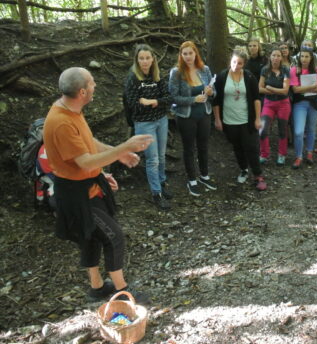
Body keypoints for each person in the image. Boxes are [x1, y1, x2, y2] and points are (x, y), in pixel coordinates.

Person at [43, 67, 153, 304]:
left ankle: (97, 288)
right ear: (82, 91)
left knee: (91, 236)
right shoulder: (61, 122)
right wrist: (124, 147)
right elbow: (84, 162)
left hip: (88, 185)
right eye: (92, 83)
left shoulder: (71, 109)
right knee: (114, 237)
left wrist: (110, 163)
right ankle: (121, 293)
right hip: (75, 193)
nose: (96, 86)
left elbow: (87, 143)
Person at [123, 44, 173, 210]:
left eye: (147, 58)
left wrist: (152, 101)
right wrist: (151, 103)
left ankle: (162, 182)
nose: (144, 61)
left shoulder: (157, 76)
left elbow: (168, 98)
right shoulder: (133, 79)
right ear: (137, 60)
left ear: (153, 59)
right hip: (144, 124)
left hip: (161, 120)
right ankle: (156, 193)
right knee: (152, 160)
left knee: (161, 155)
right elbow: (133, 105)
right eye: (141, 58)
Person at [213, 48, 267, 191]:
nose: (236, 66)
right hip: (229, 120)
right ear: (230, 60)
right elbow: (216, 100)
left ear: (245, 64)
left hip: (247, 120)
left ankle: (258, 175)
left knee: (252, 147)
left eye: (240, 63)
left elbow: (256, 99)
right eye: (234, 62)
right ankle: (243, 169)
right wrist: (217, 119)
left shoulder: (249, 77)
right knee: (237, 147)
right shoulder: (222, 77)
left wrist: (257, 118)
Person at [169, 41, 217, 196]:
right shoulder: (176, 72)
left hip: (204, 114)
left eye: (190, 53)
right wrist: (193, 100)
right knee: (189, 148)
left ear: (195, 53)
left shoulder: (205, 69)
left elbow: (213, 92)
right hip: (186, 117)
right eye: (185, 54)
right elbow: (173, 97)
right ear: (181, 56)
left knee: (203, 146)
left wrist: (211, 93)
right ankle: (192, 180)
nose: (188, 56)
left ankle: (204, 175)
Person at [289, 47, 317, 169]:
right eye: (302, 56)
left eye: (307, 56)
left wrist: (309, 88)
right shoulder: (294, 70)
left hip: (314, 103)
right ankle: (298, 156)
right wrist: (312, 86)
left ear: (311, 58)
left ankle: (309, 152)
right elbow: (295, 89)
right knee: (298, 131)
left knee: (311, 129)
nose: (304, 59)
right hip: (300, 104)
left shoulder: (316, 70)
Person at [258, 48, 291, 166]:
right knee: (262, 129)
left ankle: (281, 155)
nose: (276, 58)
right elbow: (259, 88)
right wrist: (274, 91)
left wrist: (270, 89)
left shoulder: (286, 70)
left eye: (278, 56)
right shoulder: (265, 70)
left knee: (282, 130)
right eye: (273, 55)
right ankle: (264, 154)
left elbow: (285, 91)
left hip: (283, 104)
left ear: (281, 58)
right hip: (269, 103)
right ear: (270, 57)